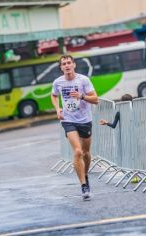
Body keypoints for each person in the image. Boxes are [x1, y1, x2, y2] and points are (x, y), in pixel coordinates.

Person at [51, 55, 98, 200]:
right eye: (63, 64)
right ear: (61, 67)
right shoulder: (58, 82)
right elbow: (53, 95)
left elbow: (95, 100)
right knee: (77, 151)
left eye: (69, 63)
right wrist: (58, 109)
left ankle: (85, 174)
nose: (66, 66)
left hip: (85, 119)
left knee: (86, 153)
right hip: (68, 119)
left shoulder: (83, 80)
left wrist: (81, 96)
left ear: (74, 65)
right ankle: (83, 185)